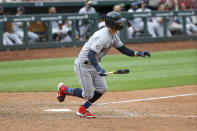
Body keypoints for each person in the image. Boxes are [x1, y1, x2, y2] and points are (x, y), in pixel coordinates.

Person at [56, 11, 151, 118]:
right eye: (119, 22)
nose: (121, 24)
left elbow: (123, 49)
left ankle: (82, 109)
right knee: (88, 94)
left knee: (102, 89)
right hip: (83, 65)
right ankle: (64, 89)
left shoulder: (113, 35)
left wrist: (138, 53)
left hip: (94, 64)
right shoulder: (103, 37)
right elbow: (90, 55)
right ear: (112, 24)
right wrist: (99, 68)